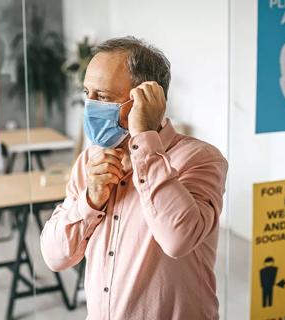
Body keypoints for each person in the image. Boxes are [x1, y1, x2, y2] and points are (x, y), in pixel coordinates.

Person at [40, 36, 228, 320]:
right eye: (87, 93)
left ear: (144, 99)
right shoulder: (90, 162)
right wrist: (89, 201)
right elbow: (55, 257)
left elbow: (178, 239)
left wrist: (144, 138)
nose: (89, 106)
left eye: (102, 97)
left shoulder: (200, 159)